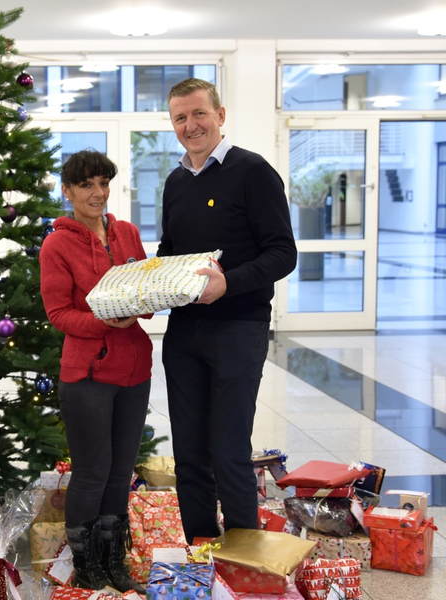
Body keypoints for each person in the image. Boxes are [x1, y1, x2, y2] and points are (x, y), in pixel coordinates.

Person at [157, 78, 297, 543]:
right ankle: (200, 548)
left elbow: (283, 253)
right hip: (184, 332)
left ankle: (242, 556)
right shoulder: (176, 182)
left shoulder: (253, 172)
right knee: (190, 451)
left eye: (199, 113)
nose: (190, 125)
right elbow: (169, 252)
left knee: (229, 448)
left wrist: (228, 283)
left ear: (220, 114)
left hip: (239, 327)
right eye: (181, 117)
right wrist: (144, 290)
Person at [40, 150, 152, 593]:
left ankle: (113, 562)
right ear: (67, 191)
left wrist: (154, 297)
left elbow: (145, 286)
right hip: (86, 374)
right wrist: (107, 320)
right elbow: (59, 313)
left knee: (122, 469)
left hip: (134, 369)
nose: (97, 193)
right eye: (86, 184)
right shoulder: (58, 244)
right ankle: (87, 568)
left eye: (103, 182)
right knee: (93, 471)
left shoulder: (126, 233)